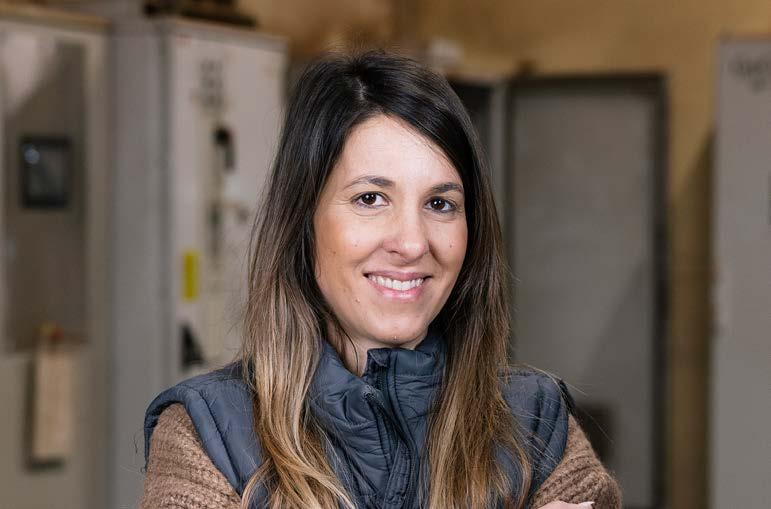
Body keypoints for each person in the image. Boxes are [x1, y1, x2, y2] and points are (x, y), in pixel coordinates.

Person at [139, 50, 622, 509]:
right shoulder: (210, 432)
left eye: (440, 204)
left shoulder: (537, 421)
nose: (412, 243)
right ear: (303, 220)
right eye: (370, 198)